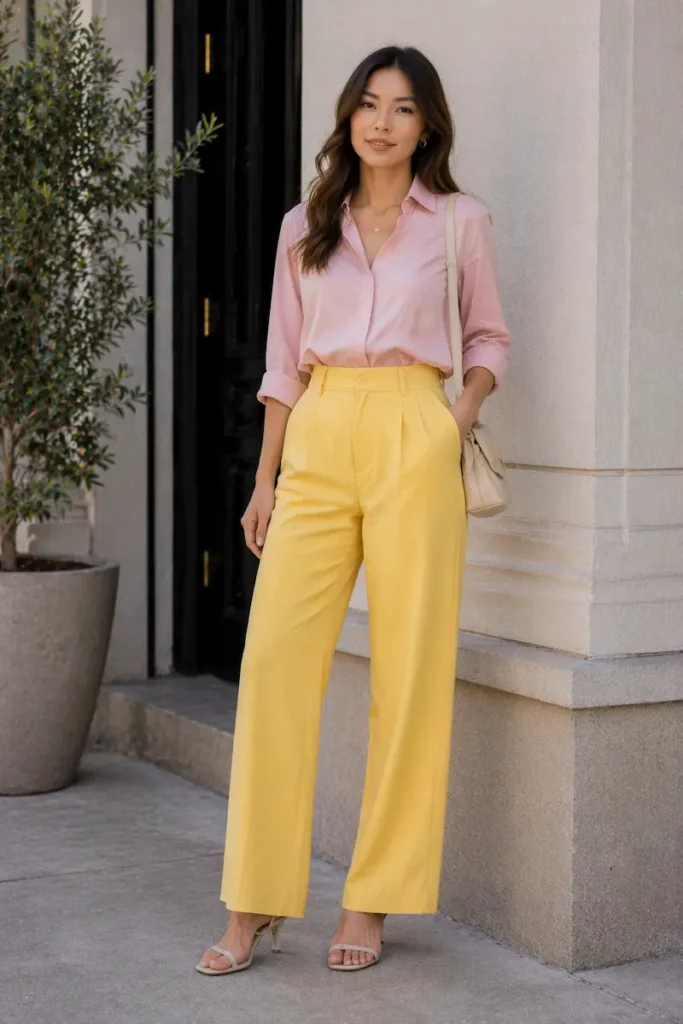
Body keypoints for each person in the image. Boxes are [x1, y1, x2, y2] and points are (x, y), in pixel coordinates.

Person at [197, 44, 510, 976]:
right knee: (275, 664)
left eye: (402, 107)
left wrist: (452, 421)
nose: (381, 121)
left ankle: (372, 896)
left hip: (415, 425)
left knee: (408, 673)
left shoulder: (459, 222)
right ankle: (253, 897)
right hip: (322, 431)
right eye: (368, 104)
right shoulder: (307, 223)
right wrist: (265, 480)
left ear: (427, 126)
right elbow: (283, 364)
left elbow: (488, 335)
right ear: (348, 117)